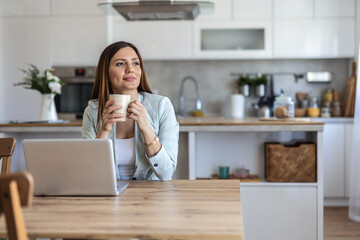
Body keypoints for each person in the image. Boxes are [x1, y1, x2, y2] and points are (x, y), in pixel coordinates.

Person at [81, 41, 179, 181]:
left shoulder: (161, 106)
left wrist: (146, 127)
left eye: (135, 63)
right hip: (109, 195)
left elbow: (166, 173)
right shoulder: (93, 111)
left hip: (151, 197)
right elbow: (88, 172)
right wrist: (104, 130)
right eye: (120, 63)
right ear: (106, 73)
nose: (130, 69)